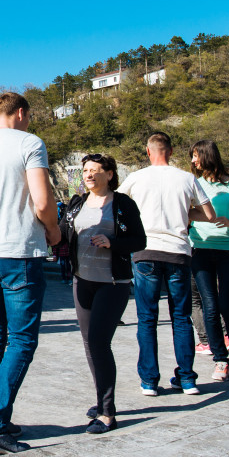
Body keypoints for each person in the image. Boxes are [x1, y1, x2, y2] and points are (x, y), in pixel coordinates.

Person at [0, 92, 61, 455]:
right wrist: (54, 231)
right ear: (20, 113)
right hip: (18, 251)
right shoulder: (29, 143)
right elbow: (43, 202)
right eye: (28, 116)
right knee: (21, 340)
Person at [118, 132, 214, 397]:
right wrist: (184, 213)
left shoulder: (136, 177)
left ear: (148, 151)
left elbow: (115, 205)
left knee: (147, 318)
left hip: (146, 251)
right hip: (178, 252)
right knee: (181, 317)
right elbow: (209, 214)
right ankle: (187, 379)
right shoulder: (187, 178)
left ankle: (149, 380)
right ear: (171, 151)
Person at [60, 153, 149, 434]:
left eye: (95, 170)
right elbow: (61, 234)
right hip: (82, 281)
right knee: (90, 344)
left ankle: (107, 413)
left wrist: (112, 241)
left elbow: (139, 240)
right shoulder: (77, 203)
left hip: (112, 283)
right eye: (86, 170)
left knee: (99, 343)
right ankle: (101, 399)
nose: (88, 175)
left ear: (109, 174)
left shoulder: (122, 204)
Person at [188, 140, 229, 385]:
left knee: (227, 305)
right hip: (201, 249)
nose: (193, 161)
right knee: (209, 306)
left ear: (207, 156)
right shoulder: (194, 184)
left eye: (196, 156)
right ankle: (220, 359)